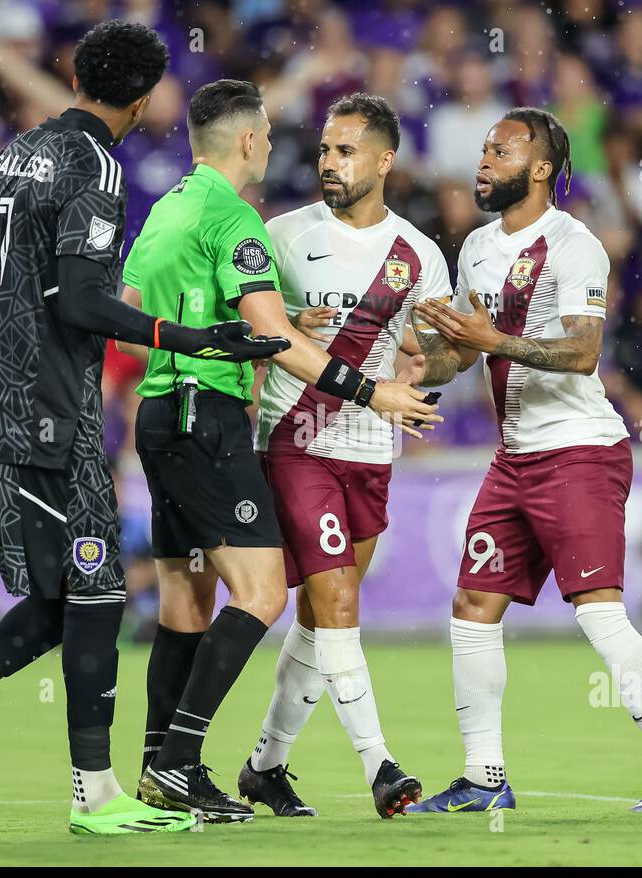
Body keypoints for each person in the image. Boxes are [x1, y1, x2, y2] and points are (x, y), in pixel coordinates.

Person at [0, 21, 287, 837]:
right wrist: (194, 338)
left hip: (3, 396)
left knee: (71, 594)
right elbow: (78, 301)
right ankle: (93, 794)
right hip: (49, 410)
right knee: (93, 589)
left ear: (76, 76)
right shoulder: (96, 167)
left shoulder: (8, 157)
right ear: (142, 99)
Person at [117, 80, 441, 822]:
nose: (298, 150)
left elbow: (126, 316)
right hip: (218, 417)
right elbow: (280, 341)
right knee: (265, 596)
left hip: (162, 411)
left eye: (339, 147)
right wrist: (374, 390)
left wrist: (194, 335)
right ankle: (181, 763)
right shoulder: (247, 225)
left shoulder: (168, 208)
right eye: (273, 134)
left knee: (186, 598)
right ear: (248, 141)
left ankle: (160, 770)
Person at [405, 107, 642, 814]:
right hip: (514, 457)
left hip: (578, 453)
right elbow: (464, 352)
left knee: (598, 612)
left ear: (540, 168)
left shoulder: (576, 247)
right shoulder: (478, 247)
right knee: (472, 606)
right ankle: (485, 778)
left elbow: (581, 352)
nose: (483, 162)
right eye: (483, 149)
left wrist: (490, 338)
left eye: (501, 151)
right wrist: (410, 366)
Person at [237, 93, 452, 819]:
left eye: (345, 150)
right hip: (297, 442)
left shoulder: (418, 254)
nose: (329, 162)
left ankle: (266, 764)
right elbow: (248, 324)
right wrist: (286, 324)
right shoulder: (281, 234)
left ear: (384, 160)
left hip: (371, 451)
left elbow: (436, 353)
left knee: (318, 615)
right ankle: (381, 768)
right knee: (338, 603)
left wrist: (436, 361)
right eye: (325, 150)